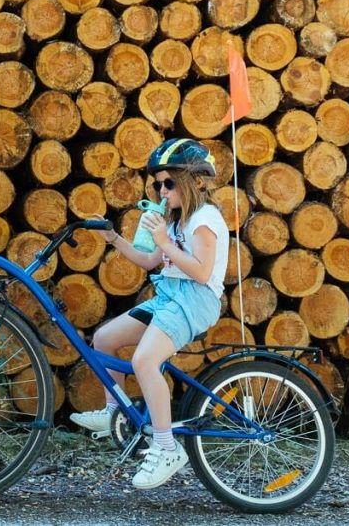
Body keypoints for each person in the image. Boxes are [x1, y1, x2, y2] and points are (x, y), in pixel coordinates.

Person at [70, 138, 229, 490]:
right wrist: (114, 238)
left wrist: (165, 242)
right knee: (104, 339)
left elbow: (202, 273)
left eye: (169, 183)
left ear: (197, 181)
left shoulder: (204, 219)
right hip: (170, 295)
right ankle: (114, 409)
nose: (161, 189)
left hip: (196, 299)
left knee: (144, 362)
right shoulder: (175, 222)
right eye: (157, 184)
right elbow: (148, 261)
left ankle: (167, 447)